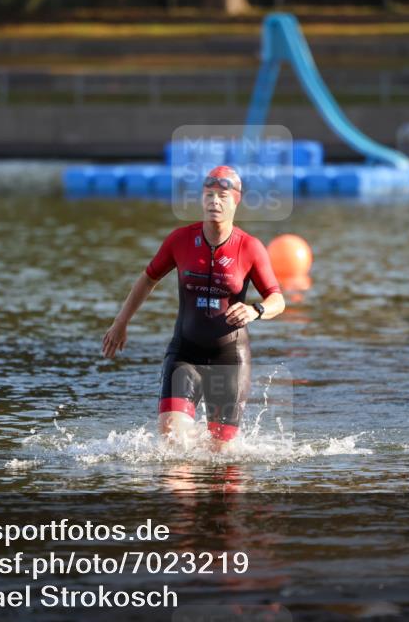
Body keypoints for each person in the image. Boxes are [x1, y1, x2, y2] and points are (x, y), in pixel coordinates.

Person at [102, 166, 285, 446]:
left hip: (229, 359)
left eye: (222, 196)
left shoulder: (249, 247)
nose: (214, 201)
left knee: (221, 454)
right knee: (172, 441)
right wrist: (121, 322)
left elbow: (277, 300)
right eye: (209, 195)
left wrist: (255, 310)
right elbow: (148, 279)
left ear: (236, 201)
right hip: (185, 352)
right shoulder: (180, 240)